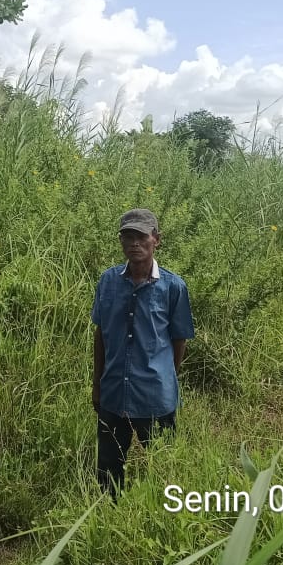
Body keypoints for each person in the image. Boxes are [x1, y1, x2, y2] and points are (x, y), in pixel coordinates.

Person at [91, 208, 194, 495]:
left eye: (141, 236)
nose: (134, 243)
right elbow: (101, 335)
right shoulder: (108, 281)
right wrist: (97, 384)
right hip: (112, 393)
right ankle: (108, 517)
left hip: (155, 396)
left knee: (162, 469)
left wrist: (166, 378)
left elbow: (179, 340)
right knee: (109, 472)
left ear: (156, 240)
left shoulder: (173, 287)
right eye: (127, 237)